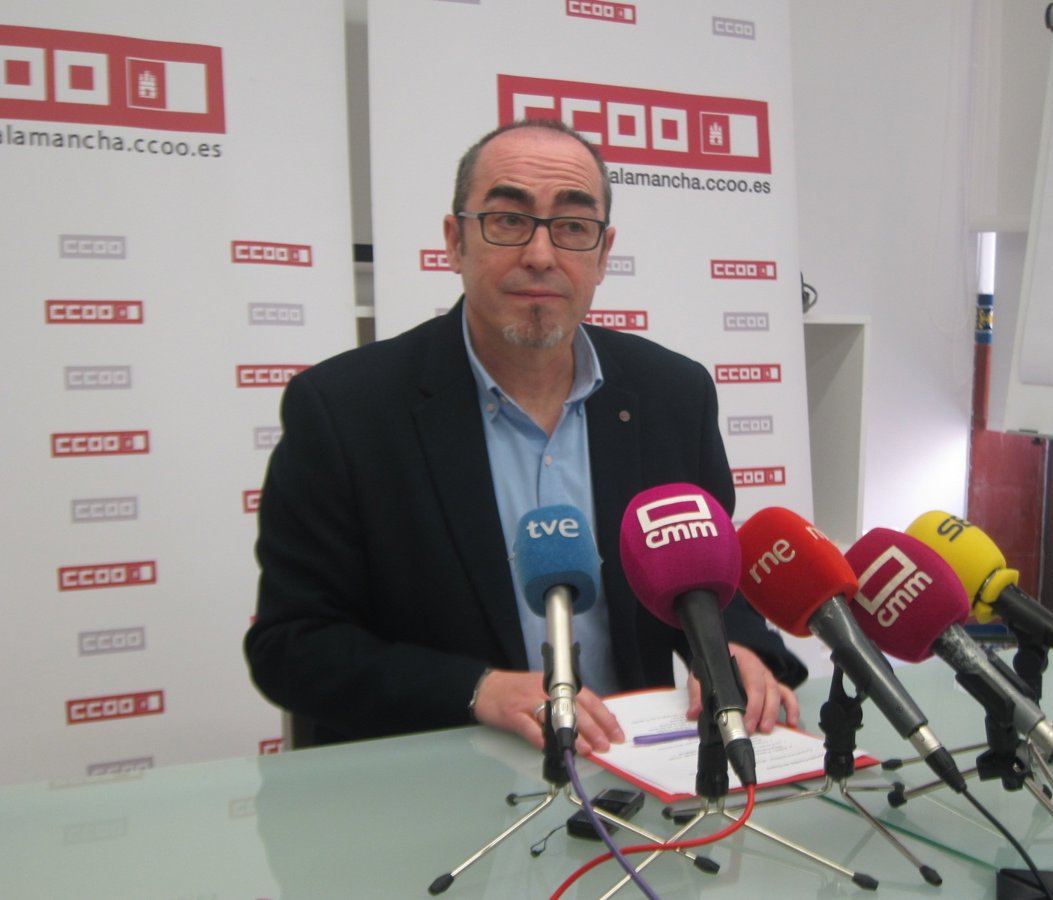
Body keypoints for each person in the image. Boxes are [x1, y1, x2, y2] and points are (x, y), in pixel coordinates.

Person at [244, 119, 806, 754]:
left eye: (573, 226)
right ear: (455, 242)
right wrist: (476, 690)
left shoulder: (671, 395)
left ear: (602, 253)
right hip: (449, 771)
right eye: (509, 220)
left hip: (634, 767)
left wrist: (736, 648)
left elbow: (706, 582)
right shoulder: (344, 410)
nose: (541, 254)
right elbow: (292, 645)